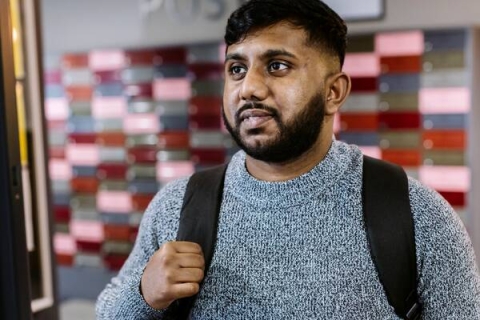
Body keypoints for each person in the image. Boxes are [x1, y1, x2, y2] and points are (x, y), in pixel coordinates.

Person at [96, 0, 480, 318]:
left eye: (277, 65)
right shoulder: (177, 207)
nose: (249, 88)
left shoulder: (416, 215)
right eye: (237, 68)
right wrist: (143, 296)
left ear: (334, 92)